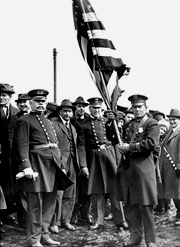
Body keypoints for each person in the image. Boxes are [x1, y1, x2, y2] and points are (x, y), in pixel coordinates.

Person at [13, 89, 73, 247]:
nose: (41, 104)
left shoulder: (48, 121)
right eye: (37, 101)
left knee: (50, 202)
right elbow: (22, 144)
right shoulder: (24, 120)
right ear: (30, 103)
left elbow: (56, 145)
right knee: (35, 204)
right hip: (36, 164)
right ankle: (34, 239)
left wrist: (60, 164)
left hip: (52, 165)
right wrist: (26, 166)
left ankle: (45, 235)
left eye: (43, 101)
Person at [77, 97, 128, 230]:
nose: (97, 110)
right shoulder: (83, 124)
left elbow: (116, 139)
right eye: (94, 108)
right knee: (97, 191)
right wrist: (83, 165)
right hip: (93, 158)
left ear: (102, 109)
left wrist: (113, 121)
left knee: (114, 190)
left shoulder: (108, 122)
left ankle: (120, 220)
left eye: (99, 108)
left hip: (109, 157)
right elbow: (81, 146)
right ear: (90, 109)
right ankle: (98, 221)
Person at [119, 94, 160, 247]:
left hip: (144, 170)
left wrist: (130, 147)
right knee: (130, 205)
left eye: (139, 107)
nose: (136, 110)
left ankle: (150, 240)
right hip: (129, 169)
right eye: (134, 107)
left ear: (145, 108)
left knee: (146, 206)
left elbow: (151, 143)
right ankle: (135, 236)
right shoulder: (129, 125)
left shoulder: (152, 123)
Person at [50, 99, 80, 233]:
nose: (67, 114)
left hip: (72, 162)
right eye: (65, 111)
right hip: (60, 162)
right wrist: (60, 163)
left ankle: (66, 220)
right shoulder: (54, 125)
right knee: (58, 194)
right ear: (60, 112)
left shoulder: (72, 127)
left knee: (70, 193)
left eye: (69, 111)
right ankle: (54, 222)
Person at [71, 96, 93, 225]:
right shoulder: (71, 120)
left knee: (87, 186)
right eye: (79, 106)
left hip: (87, 156)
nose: (82, 109)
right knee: (76, 187)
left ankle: (86, 213)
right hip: (74, 156)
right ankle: (74, 214)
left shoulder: (89, 120)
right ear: (75, 107)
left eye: (83, 106)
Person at [0, 83, 19, 227]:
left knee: (10, 184)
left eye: (4, 95)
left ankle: (7, 214)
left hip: (11, 156)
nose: (1, 98)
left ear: (10, 97)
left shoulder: (16, 112)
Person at [159, 109, 180, 226]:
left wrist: (179, 166)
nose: (172, 121)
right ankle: (178, 214)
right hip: (168, 168)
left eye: (174, 119)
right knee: (174, 192)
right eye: (170, 119)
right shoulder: (170, 132)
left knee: (178, 193)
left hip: (176, 168)